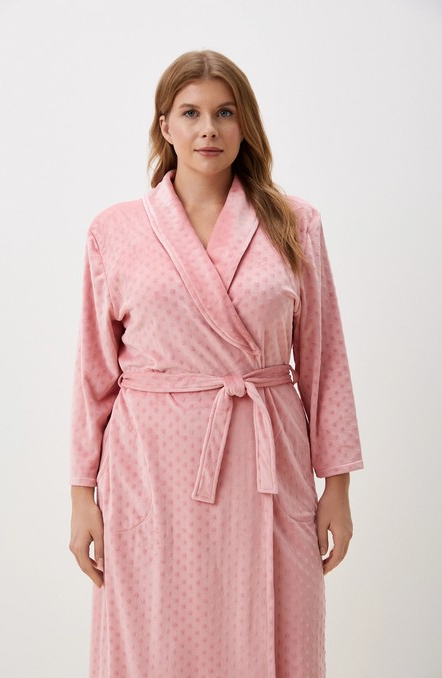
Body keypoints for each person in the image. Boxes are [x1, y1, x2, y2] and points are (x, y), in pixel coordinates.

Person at [69, 49, 363, 678]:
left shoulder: (293, 222)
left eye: (225, 113)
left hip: (266, 464)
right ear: (165, 126)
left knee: (275, 625)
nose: (209, 129)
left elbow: (325, 360)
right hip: (151, 470)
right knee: (154, 635)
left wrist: (336, 487)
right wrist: (80, 495)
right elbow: (94, 375)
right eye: (191, 113)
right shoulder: (114, 231)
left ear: (245, 124)